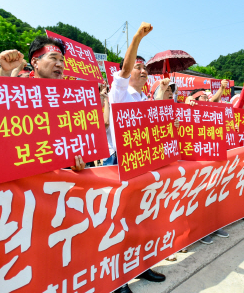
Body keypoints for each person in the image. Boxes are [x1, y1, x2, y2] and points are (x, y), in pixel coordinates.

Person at [107, 22, 166, 293]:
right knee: (120, 222)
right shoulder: (119, 93)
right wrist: (137, 40)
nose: (143, 71)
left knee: (143, 218)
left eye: (146, 69)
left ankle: (142, 266)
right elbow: (125, 68)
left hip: (143, 160)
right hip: (120, 161)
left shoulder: (144, 99)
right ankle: (119, 279)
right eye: (139, 68)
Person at [0, 36, 86, 171]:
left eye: (61, 60)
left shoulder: (71, 99)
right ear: (35, 62)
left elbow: (78, 141)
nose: (60, 64)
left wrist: (78, 161)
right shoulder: (19, 94)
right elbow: (0, 117)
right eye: (53, 58)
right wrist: (5, 72)